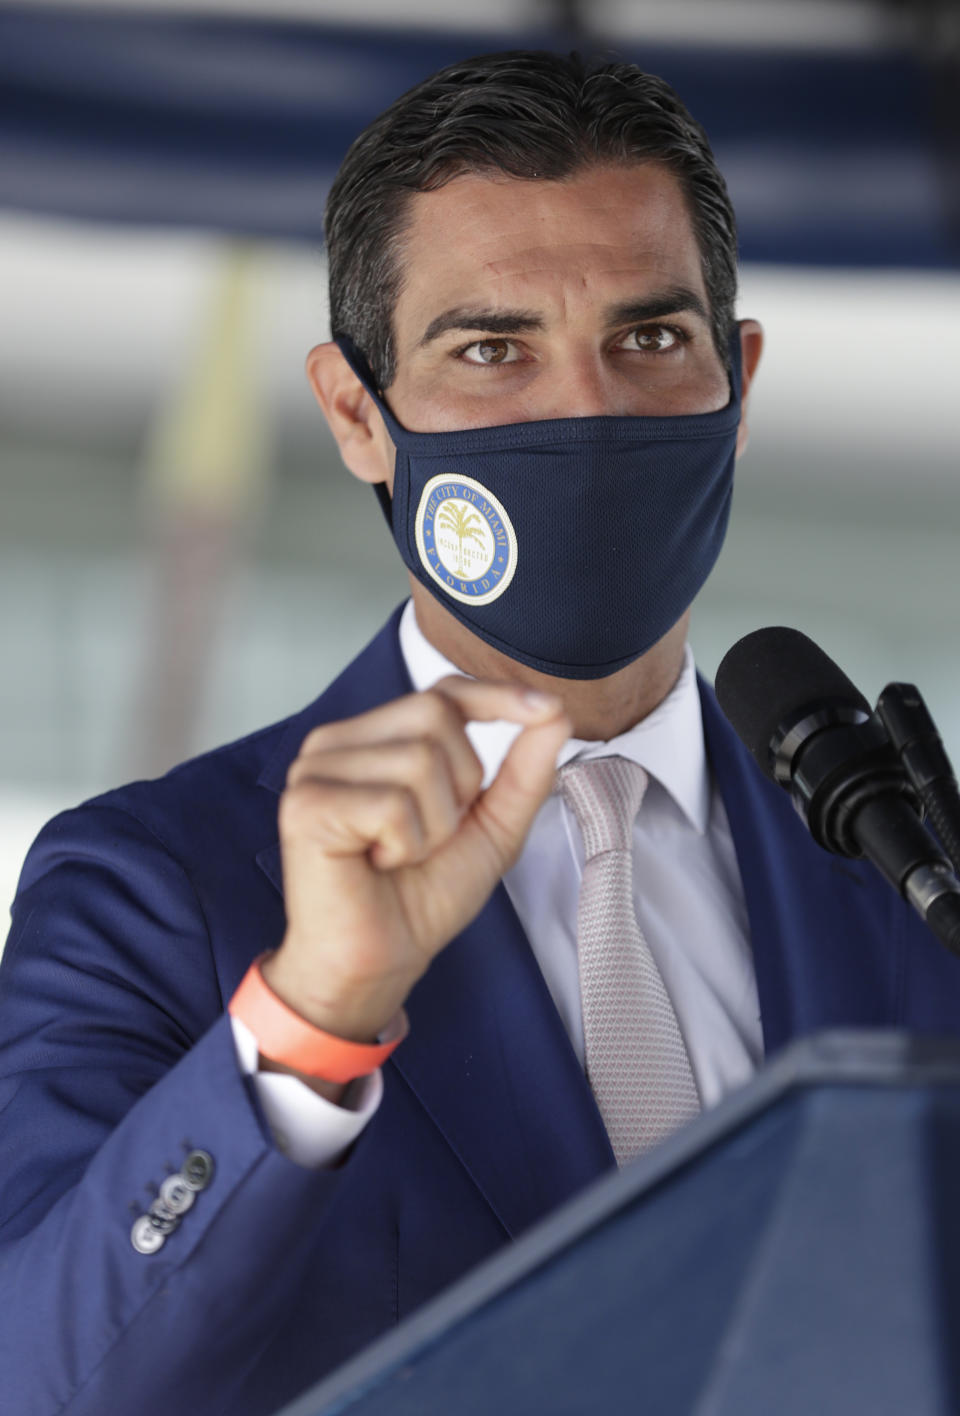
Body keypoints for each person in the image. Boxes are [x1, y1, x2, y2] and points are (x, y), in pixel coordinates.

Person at [2, 48, 956, 1416]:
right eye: (492, 349)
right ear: (356, 414)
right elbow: (45, 1383)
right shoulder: (158, 889)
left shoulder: (896, 855)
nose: (585, 408)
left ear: (736, 385)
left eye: (649, 339)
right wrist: (313, 1022)